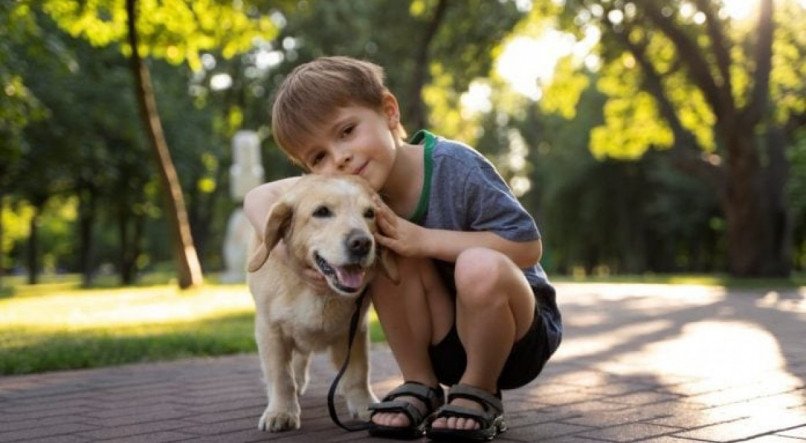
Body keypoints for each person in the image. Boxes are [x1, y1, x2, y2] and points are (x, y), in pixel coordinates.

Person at [244, 56, 562, 441]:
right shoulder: (354, 196)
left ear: (389, 112)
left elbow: (528, 246)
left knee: (476, 265)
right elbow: (259, 197)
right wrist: (288, 259)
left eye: (346, 131)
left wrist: (423, 239)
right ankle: (420, 384)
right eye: (319, 157)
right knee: (383, 250)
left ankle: (478, 391)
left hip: (517, 337)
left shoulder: (455, 165)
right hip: (443, 340)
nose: (339, 157)